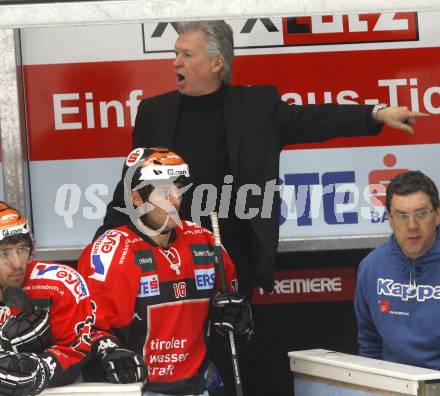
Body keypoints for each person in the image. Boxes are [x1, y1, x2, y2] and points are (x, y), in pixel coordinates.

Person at [98, 20, 428, 301]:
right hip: (165, 255)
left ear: (217, 63)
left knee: (230, 354)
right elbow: (132, 185)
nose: (176, 62)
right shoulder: (155, 113)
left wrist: (377, 114)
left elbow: (316, 119)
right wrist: (103, 244)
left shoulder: (257, 107)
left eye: (187, 54)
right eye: (175, 54)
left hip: (231, 256)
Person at [78, 147, 252, 395]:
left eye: (177, 188)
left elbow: (232, 318)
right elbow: (87, 329)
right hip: (141, 388)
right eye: (162, 191)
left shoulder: (205, 241)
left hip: (200, 383)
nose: (174, 199)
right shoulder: (111, 251)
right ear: (136, 197)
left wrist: (236, 317)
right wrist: (108, 349)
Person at [0, 201, 93, 395]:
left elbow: (76, 349)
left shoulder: (60, 283)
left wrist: (40, 369)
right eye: (4, 253)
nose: (17, 263)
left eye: (22, 249)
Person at [355, 170, 440, 368]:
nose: (412, 225)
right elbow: (369, 345)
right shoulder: (371, 267)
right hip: (394, 385)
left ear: (437, 215)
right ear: (390, 219)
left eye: (420, 214)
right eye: (401, 216)